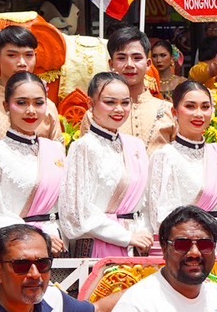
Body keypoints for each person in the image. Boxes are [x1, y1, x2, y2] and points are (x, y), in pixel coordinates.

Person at [146, 81, 217, 254]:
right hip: (188, 251)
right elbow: (163, 219)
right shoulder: (165, 157)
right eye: (190, 106)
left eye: (205, 107)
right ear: (174, 112)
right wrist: (212, 225)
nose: (198, 114)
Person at [60, 72, 153, 258]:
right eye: (110, 102)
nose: (119, 109)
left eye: (125, 102)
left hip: (138, 244)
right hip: (99, 245)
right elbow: (78, 210)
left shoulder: (136, 146)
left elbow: (146, 199)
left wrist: (144, 231)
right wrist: (125, 236)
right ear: (90, 104)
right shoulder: (84, 147)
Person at [0, 73, 66, 253]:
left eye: (38, 103)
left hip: (61, 246)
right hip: (19, 250)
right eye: (21, 103)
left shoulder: (56, 151)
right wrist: (40, 236)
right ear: (6, 105)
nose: (31, 110)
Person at [107, 27, 176, 152]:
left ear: (148, 64)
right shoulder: (96, 115)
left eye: (137, 58)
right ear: (111, 64)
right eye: (122, 58)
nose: (129, 64)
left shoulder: (169, 111)